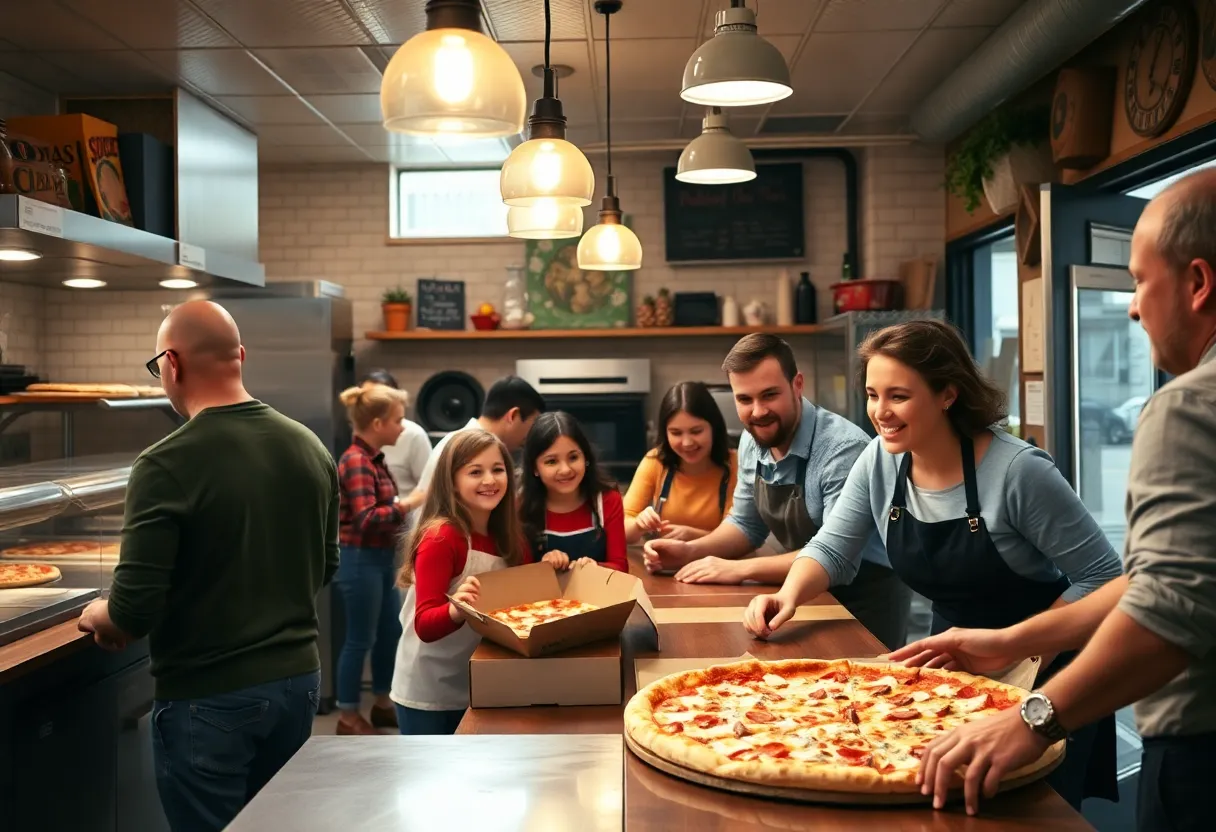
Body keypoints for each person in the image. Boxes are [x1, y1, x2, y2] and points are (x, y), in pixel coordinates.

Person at [884, 169, 1216, 826]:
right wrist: (1011, 639)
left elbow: (1166, 611)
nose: (1130, 306)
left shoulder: (1188, 407)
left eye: (1140, 281)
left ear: (1199, 283)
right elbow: (1166, 576)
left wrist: (1034, 718)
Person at [741, 319, 1123, 808]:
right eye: (872, 394)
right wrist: (787, 595)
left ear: (947, 394)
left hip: (1046, 665)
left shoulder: (1018, 471)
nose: (880, 412)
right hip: (950, 665)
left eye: (898, 396)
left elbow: (1105, 577)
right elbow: (833, 546)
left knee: (1034, 814)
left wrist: (1023, 651)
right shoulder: (881, 459)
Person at [77, 301, 338, 832]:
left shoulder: (165, 463)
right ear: (239, 357)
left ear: (171, 363)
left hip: (210, 697)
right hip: (297, 684)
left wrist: (94, 612)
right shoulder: (309, 447)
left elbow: (131, 613)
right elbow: (325, 565)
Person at [643, 333, 912, 650]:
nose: (757, 412)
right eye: (744, 399)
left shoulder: (842, 449)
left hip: (863, 598)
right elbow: (746, 524)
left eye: (769, 395)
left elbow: (835, 553)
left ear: (798, 385)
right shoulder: (752, 439)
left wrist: (737, 569)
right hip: (796, 594)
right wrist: (693, 551)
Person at [389, 430, 531, 735]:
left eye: (497, 469)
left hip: (480, 683)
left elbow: (529, 598)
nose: (490, 480)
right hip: (428, 691)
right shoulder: (442, 537)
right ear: (451, 482)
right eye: (475, 472)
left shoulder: (509, 537)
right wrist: (456, 611)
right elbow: (424, 625)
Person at [333, 381, 411, 736]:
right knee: (360, 638)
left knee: (388, 633)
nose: (402, 426)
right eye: (398, 419)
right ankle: (348, 716)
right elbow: (366, 519)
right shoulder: (357, 461)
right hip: (359, 559)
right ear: (378, 424)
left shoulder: (374, 460)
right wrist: (405, 505)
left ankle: (382, 704)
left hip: (378, 559)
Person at [624, 381, 737, 544]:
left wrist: (693, 536)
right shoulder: (655, 461)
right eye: (676, 433)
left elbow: (739, 537)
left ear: (714, 427)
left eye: (696, 431)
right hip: (663, 563)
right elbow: (620, 530)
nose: (687, 443)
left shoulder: (735, 464)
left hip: (719, 562)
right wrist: (638, 524)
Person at [519, 411, 629, 572]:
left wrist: (596, 568)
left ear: (586, 458)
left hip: (597, 595)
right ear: (534, 468)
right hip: (544, 597)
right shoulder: (521, 506)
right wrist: (543, 566)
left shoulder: (607, 500)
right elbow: (518, 576)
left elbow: (621, 567)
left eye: (573, 458)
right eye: (551, 461)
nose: (565, 469)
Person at [415, 374, 545, 494]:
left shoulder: (459, 440)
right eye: (533, 423)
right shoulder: (465, 447)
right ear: (513, 416)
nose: (531, 434)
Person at [362, 368, 431, 525]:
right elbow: (367, 516)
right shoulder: (360, 450)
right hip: (382, 532)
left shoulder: (413, 435)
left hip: (408, 528)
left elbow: (429, 486)